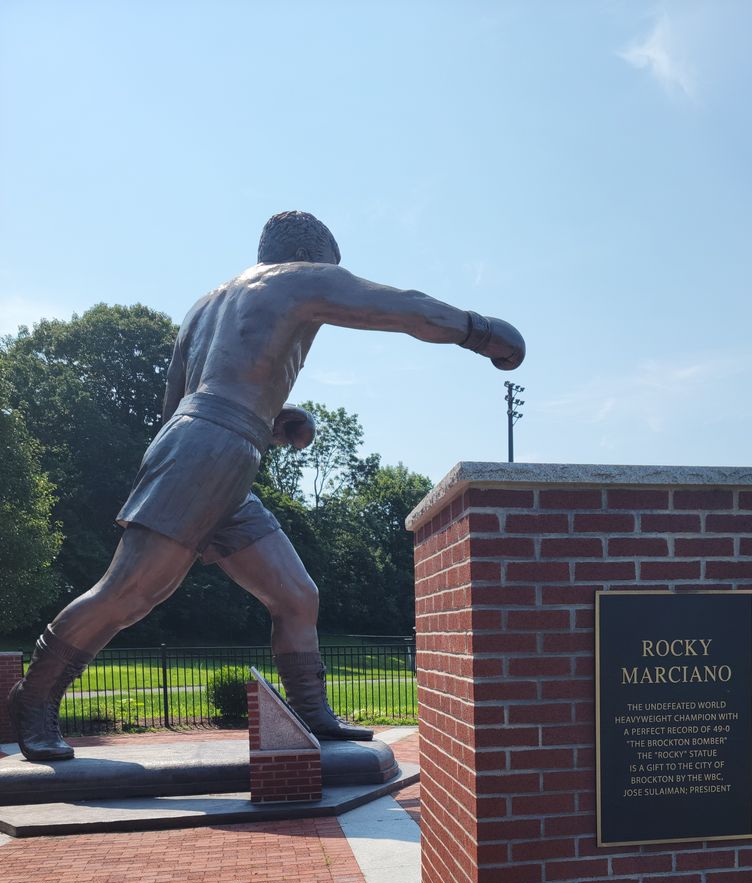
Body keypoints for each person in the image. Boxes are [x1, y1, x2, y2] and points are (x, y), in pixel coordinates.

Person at [9, 211, 525, 762]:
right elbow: (405, 309)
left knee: (296, 596)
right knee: (132, 593)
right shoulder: (300, 277)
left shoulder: (204, 306)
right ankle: (33, 698)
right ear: (316, 258)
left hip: (213, 447)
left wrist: (270, 421)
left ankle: (310, 714)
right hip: (211, 452)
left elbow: (181, 406)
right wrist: (481, 330)